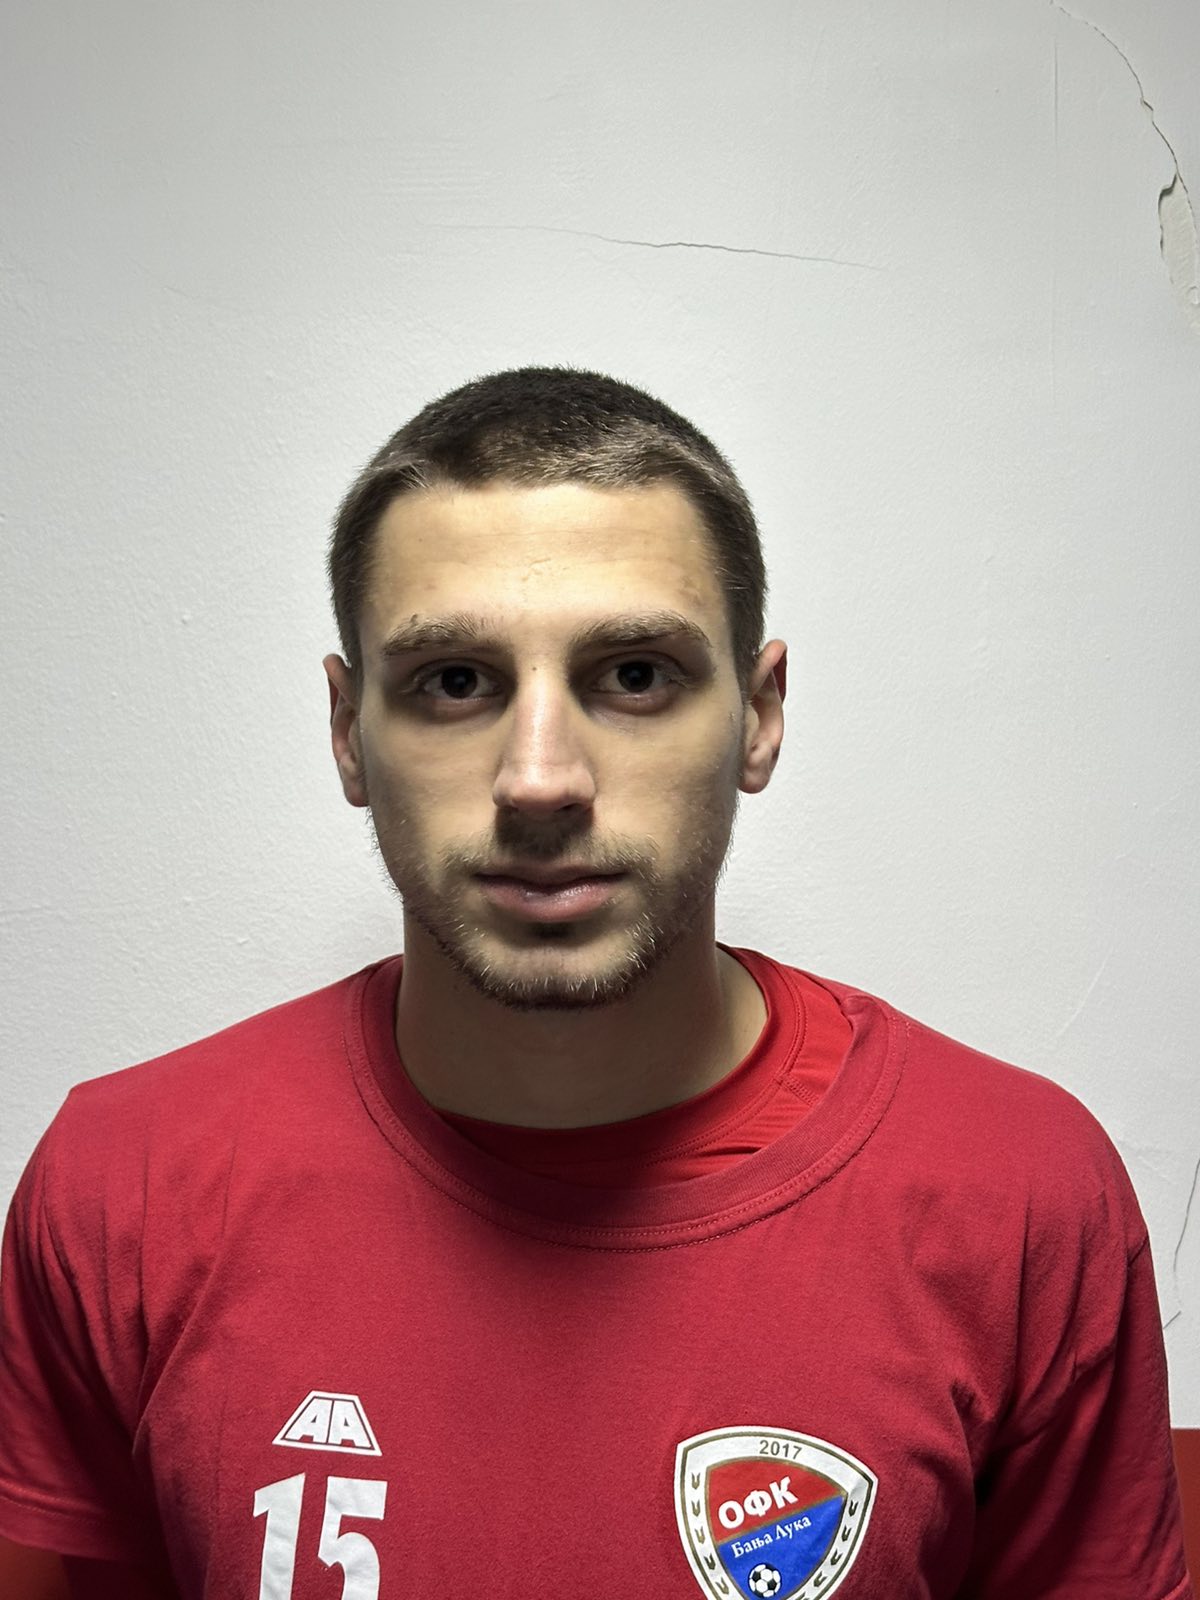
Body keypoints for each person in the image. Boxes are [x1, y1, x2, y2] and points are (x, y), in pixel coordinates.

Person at [0, 367, 1190, 1600]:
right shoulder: (124, 1189)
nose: (540, 779)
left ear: (759, 715)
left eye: (632, 675)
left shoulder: (1018, 1198)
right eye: (455, 680)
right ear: (349, 732)